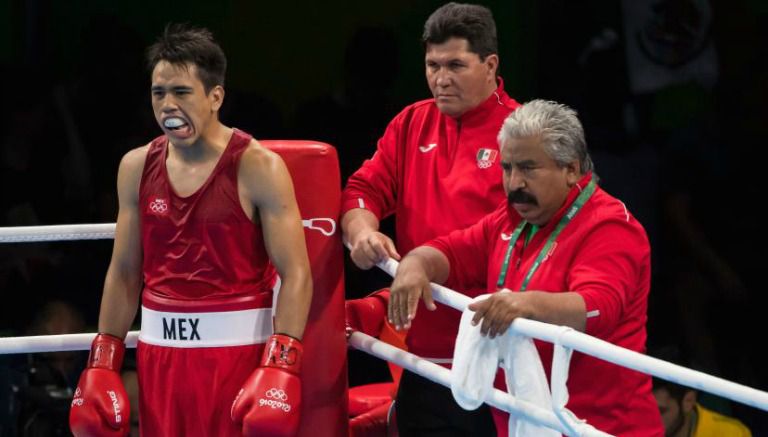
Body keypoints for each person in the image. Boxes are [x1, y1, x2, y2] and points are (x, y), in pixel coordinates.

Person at [68, 24, 312, 437]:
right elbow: (125, 270)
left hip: (236, 354)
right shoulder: (136, 167)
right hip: (161, 354)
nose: (167, 105)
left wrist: (280, 364)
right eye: (158, 92)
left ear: (215, 97)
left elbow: (297, 273)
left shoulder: (257, 167)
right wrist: (104, 358)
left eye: (181, 92)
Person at [389, 100, 664, 436]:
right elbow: (451, 251)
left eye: (528, 168)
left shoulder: (609, 227)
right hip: (523, 420)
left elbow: (597, 308)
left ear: (571, 170)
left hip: (600, 426)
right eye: (507, 168)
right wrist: (415, 264)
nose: (513, 182)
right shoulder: (514, 219)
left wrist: (526, 304)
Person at [342, 2, 520, 435]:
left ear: (490, 64)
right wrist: (363, 230)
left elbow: (525, 234)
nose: (441, 78)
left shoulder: (523, 133)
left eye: (456, 65)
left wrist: (425, 261)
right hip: (422, 355)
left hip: (496, 356)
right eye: (432, 65)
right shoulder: (411, 123)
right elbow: (362, 191)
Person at [653, 377, 752, 437]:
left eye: (659, 411)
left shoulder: (730, 434)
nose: (645, 420)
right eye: (640, 410)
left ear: (688, 401)